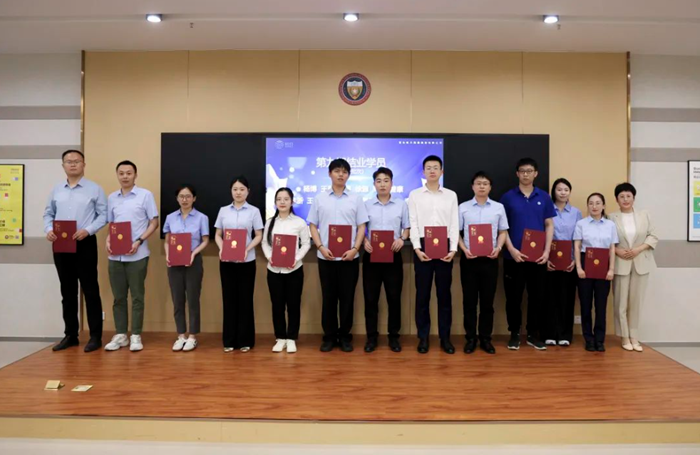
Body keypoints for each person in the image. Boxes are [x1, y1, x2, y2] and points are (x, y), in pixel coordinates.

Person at [43, 150, 107, 353]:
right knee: (67, 291)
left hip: (84, 242)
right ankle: (71, 335)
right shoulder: (56, 190)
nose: (72, 164)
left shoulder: (95, 189)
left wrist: (88, 230)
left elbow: (103, 215)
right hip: (61, 245)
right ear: (63, 165)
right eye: (68, 161)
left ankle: (95, 336)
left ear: (84, 164)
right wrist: (48, 230)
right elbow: (48, 214)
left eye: (76, 161)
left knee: (90, 290)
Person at [308, 158, 368, 353]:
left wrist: (355, 249)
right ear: (329, 174)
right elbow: (313, 226)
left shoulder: (356, 199)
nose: (341, 174)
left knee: (347, 298)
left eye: (344, 171)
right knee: (328, 298)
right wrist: (320, 247)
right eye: (337, 171)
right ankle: (329, 337)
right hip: (326, 257)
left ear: (348, 175)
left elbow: (362, 226)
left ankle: (345, 337)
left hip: (349, 258)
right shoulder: (319, 199)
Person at [501, 157, 555, 351]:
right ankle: (514, 333)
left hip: (538, 258)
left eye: (529, 171)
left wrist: (547, 251)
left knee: (537, 297)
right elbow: (502, 227)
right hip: (513, 257)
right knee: (513, 298)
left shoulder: (544, 197)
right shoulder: (507, 197)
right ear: (517, 174)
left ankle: (533, 334)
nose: (526, 174)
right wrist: (511, 249)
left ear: (536, 173)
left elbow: (549, 225)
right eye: (522, 171)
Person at [105, 160, 159, 352]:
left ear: (135, 175)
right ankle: (121, 334)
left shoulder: (145, 195)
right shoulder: (112, 197)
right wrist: (108, 240)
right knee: (118, 298)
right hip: (115, 257)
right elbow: (112, 225)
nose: (125, 176)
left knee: (137, 297)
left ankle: (135, 334)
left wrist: (139, 240)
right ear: (117, 175)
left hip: (138, 255)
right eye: (121, 173)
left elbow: (154, 222)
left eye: (129, 173)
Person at [408, 155, 459, 354]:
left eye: (435, 167)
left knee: (444, 295)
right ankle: (423, 337)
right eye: (428, 168)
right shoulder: (415, 195)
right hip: (422, 246)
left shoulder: (451, 195)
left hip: (444, 246)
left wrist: (453, 249)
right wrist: (416, 248)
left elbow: (454, 223)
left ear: (441, 171)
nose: (432, 171)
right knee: (422, 295)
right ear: (423, 172)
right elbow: (413, 223)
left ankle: (445, 338)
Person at [457, 171, 508, 355]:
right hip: (469, 260)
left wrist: (498, 248)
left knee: (487, 303)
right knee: (469, 302)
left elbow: (503, 232)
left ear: (490, 187)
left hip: (490, 260)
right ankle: (471, 338)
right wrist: (464, 249)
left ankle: (486, 339)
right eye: (478, 183)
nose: (481, 186)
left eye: (485, 183)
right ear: (473, 187)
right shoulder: (463, 207)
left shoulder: (498, 208)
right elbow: (456, 232)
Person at [362, 167, 410, 353]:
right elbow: (360, 229)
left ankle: (394, 337)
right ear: (374, 184)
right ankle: (371, 337)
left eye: (386, 180)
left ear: (392, 183)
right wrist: (364, 241)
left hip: (393, 255)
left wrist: (402, 239)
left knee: (394, 298)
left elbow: (407, 227)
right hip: (371, 256)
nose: (382, 184)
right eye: (379, 181)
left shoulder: (401, 204)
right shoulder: (366, 205)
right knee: (370, 299)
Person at [214, 176, 263, 353]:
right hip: (227, 261)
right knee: (229, 299)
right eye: (235, 189)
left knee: (245, 300)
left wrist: (247, 249)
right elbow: (218, 234)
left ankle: (245, 340)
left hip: (246, 261)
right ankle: (229, 340)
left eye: (242, 189)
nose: (238, 192)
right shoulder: (223, 211)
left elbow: (259, 235)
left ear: (248, 191)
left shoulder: (254, 211)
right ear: (231, 191)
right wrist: (222, 248)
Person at [609, 183, 658, 352]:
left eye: (628, 196)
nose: (625, 199)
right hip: (620, 263)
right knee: (620, 302)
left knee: (636, 302)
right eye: (621, 196)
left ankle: (634, 336)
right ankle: (624, 336)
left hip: (641, 262)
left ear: (634, 198)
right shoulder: (611, 217)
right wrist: (617, 251)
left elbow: (653, 236)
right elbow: (605, 239)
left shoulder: (645, 215)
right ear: (617, 199)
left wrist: (639, 249)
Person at [261, 187, 310, 353]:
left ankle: (291, 338)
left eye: (286, 199)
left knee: (294, 305)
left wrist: (296, 258)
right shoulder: (270, 222)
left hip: (294, 270)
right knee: (277, 305)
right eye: (279, 199)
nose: (282, 202)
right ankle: (280, 337)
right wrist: (270, 257)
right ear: (275, 202)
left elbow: (306, 244)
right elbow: (265, 243)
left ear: (292, 202)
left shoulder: (299, 222)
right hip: (274, 270)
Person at [163, 184, 209, 352]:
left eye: (188, 196)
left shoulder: (202, 218)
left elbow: (205, 240)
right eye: (181, 196)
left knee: (193, 299)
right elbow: (167, 241)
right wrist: (168, 255)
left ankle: (192, 336)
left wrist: (193, 253)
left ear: (194, 198)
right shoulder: (170, 218)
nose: (185, 199)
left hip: (193, 261)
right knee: (177, 299)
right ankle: (181, 335)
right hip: (174, 263)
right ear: (177, 199)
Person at [574, 193, 618, 352]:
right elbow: (577, 246)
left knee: (601, 305)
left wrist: (611, 269)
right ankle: (588, 339)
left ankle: (600, 339)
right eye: (591, 203)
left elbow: (612, 248)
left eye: (598, 203)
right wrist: (579, 267)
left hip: (603, 265)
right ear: (587, 206)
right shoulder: (581, 224)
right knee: (585, 304)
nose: (594, 206)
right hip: (586, 262)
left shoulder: (610, 225)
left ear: (603, 206)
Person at [543, 178, 582, 347]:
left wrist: (574, 260)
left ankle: (565, 334)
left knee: (566, 299)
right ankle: (549, 333)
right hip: (549, 260)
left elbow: (578, 238)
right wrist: (545, 258)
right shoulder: (547, 209)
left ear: (570, 192)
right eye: (559, 189)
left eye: (566, 189)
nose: (563, 192)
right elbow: (542, 233)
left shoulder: (576, 213)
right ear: (554, 191)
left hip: (569, 262)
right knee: (549, 298)